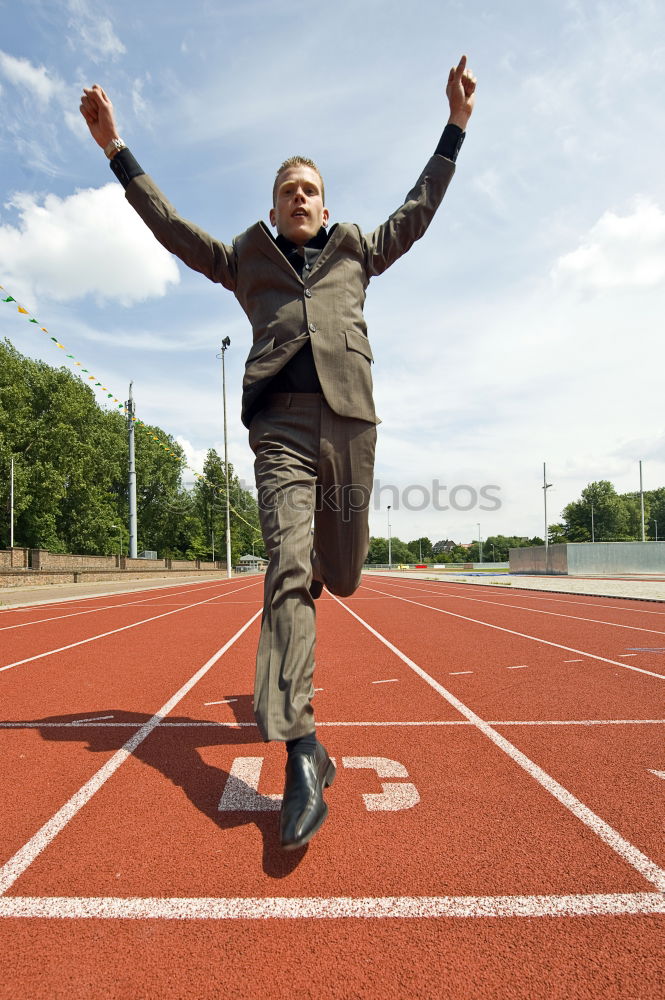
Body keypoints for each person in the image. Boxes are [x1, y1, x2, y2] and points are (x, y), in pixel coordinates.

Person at [79, 57, 476, 850]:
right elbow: (173, 230)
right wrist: (116, 151)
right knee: (286, 571)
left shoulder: (359, 248)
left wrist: (455, 127)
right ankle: (300, 747)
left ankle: (318, 610)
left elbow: (419, 208)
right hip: (281, 433)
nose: (298, 197)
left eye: (310, 189)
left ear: (326, 206)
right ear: (271, 207)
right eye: (287, 189)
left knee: (347, 574)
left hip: (351, 427)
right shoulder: (244, 259)